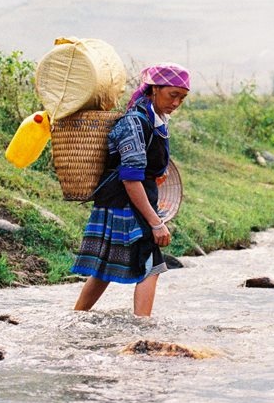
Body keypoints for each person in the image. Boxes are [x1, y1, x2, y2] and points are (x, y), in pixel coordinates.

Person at [72, 62, 190, 316]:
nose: (177, 103)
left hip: (121, 202)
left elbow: (144, 170)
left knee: (104, 269)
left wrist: (157, 175)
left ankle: (76, 317)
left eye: (182, 97)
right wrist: (156, 222)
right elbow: (130, 179)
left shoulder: (155, 121)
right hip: (125, 205)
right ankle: (142, 330)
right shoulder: (134, 123)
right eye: (173, 95)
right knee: (151, 266)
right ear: (154, 89)